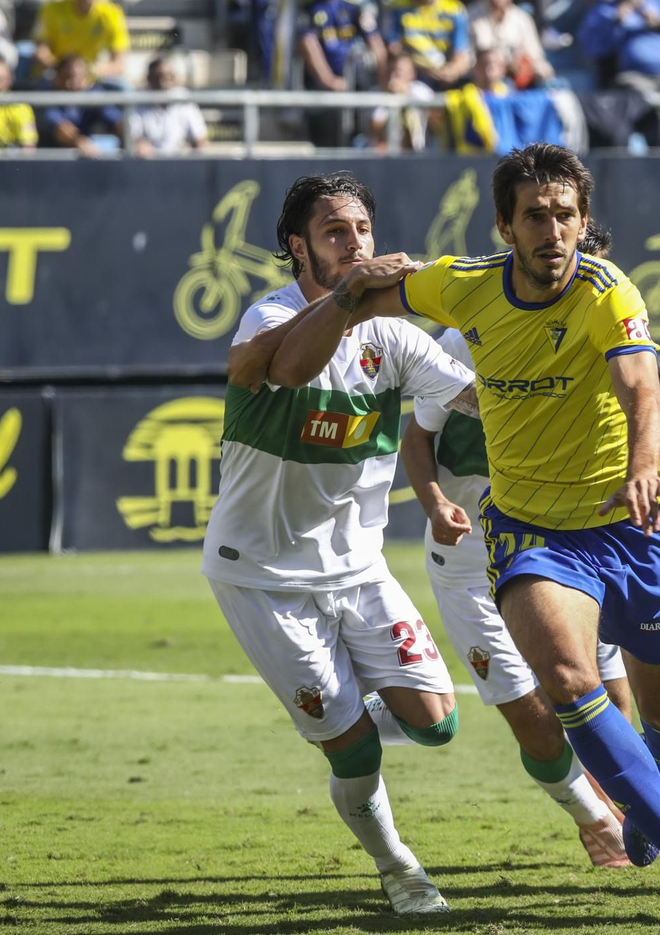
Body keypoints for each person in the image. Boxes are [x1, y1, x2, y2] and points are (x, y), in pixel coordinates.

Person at [340, 144, 660, 927]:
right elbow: (376, 292)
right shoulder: (463, 287)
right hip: (530, 532)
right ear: (506, 225)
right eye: (535, 216)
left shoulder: (607, 290)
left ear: (584, 223)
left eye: (565, 215)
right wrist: (349, 284)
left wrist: (643, 464)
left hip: (635, 523)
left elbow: (642, 390)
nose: (552, 230)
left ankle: (648, 798)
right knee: (566, 679)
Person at [211, 173, 477, 916]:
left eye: (361, 228)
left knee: (438, 721)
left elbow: (472, 398)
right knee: (355, 752)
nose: (354, 242)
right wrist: (353, 290)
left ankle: (348, 708)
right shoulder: (269, 316)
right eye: (335, 230)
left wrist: (557, 386)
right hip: (263, 574)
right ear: (297, 247)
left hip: (359, 570)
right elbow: (284, 367)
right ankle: (400, 870)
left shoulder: (392, 334)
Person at [399, 223, 633, 869]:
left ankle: (632, 811)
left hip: (561, 537)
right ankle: (596, 821)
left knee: (606, 690)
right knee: (530, 708)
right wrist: (435, 503)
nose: (588, 288)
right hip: (470, 553)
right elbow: (417, 437)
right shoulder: (469, 333)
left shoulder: (610, 338)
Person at [384, 0, 471, 90]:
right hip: (413, 76)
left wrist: (451, 71)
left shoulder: (455, 10)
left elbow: (461, 53)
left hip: (444, 75)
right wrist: (422, 69)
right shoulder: (398, 8)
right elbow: (393, 49)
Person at [33, 0, 130, 82]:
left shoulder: (113, 13)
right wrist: (64, 70)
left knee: (123, 88)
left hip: (91, 76)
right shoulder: (53, 9)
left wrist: (90, 71)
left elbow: (119, 64)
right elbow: (41, 52)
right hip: (57, 74)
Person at [469, 0, 554, 88]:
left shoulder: (522, 19)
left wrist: (529, 67)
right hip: (481, 82)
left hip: (516, 83)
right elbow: (466, 58)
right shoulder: (470, 16)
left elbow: (536, 57)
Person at [124, 53, 208, 157]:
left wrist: (196, 161)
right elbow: (133, 136)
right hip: (145, 164)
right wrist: (140, 145)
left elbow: (199, 138)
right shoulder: (139, 99)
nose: (162, 81)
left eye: (168, 76)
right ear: (149, 79)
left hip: (176, 164)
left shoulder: (184, 100)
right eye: (157, 77)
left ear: (175, 77)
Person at [39, 54, 121, 156]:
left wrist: (136, 141)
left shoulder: (93, 94)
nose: (72, 84)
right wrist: (80, 142)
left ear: (86, 79)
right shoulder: (47, 97)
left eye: (78, 78)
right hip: (51, 160)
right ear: (57, 77)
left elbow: (117, 121)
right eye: (67, 77)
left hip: (84, 158)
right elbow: (61, 129)